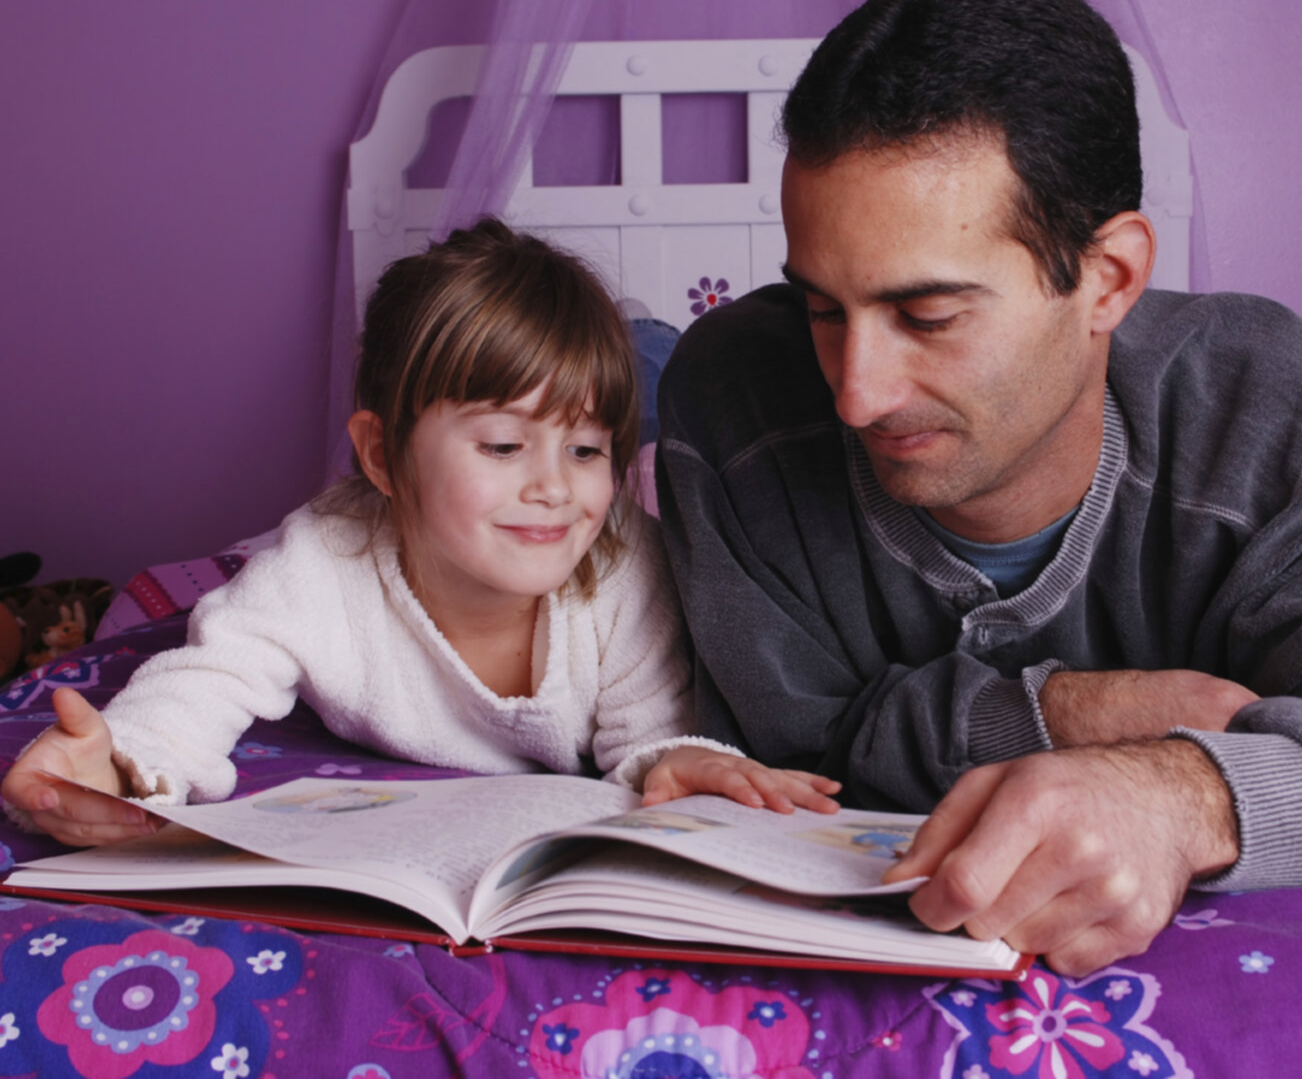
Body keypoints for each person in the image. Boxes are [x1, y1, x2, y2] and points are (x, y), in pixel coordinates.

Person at [654, 0, 1302, 975]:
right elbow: (788, 766)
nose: (855, 391)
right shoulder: (734, 398)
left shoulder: (1277, 416)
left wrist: (1181, 792)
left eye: (926, 315)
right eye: (821, 307)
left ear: (1106, 280)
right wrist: (1070, 712)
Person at [3, 218, 839, 848]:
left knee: (662, 373)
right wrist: (119, 762)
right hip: (357, 535)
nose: (553, 486)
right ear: (380, 453)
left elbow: (651, 729)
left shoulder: (622, 560)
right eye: (505, 445)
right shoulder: (322, 565)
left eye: (586, 449)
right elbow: (203, 681)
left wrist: (683, 761)